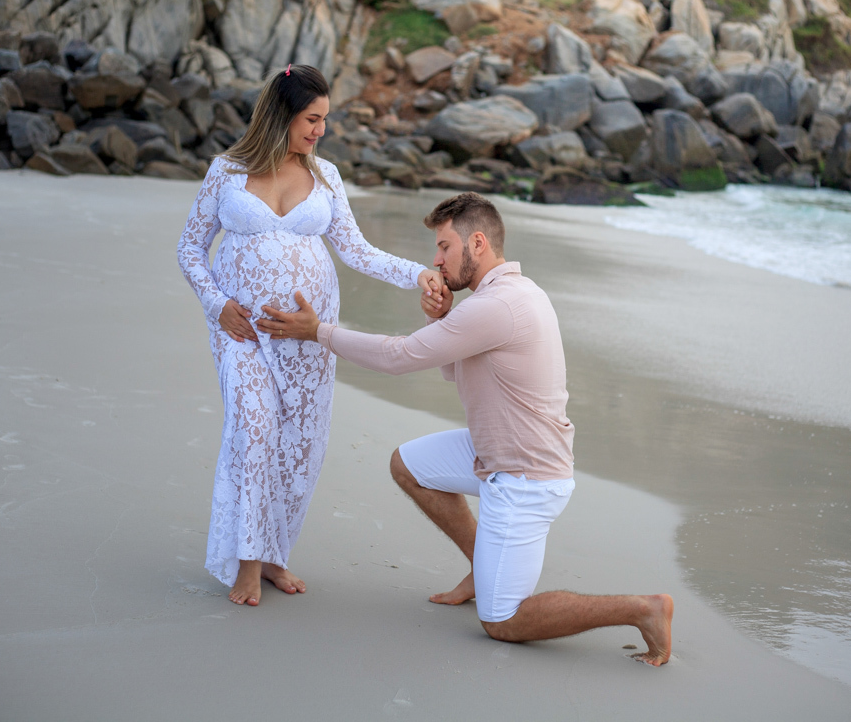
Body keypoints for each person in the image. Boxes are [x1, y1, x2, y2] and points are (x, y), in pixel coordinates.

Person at [256, 192, 673, 665]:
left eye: (444, 248)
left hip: (525, 478)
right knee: (409, 465)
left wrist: (319, 332)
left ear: (478, 242)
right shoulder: (504, 297)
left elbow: (399, 357)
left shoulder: (499, 306)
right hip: (494, 452)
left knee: (502, 621)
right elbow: (458, 370)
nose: (436, 262)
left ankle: (643, 609)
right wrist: (446, 320)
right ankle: (483, 564)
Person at [177, 65, 442, 606]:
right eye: (312, 119)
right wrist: (218, 303)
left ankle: (275, 555)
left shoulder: (326, 178)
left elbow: (358, 251)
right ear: (281, 116)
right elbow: (189, 248)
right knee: (254, 432)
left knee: (299, 444)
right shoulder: (226, 172)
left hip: (308, 338)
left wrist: (418, 272)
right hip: (243, 332)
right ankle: (246, 562)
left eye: (325, 119)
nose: (321, 130)